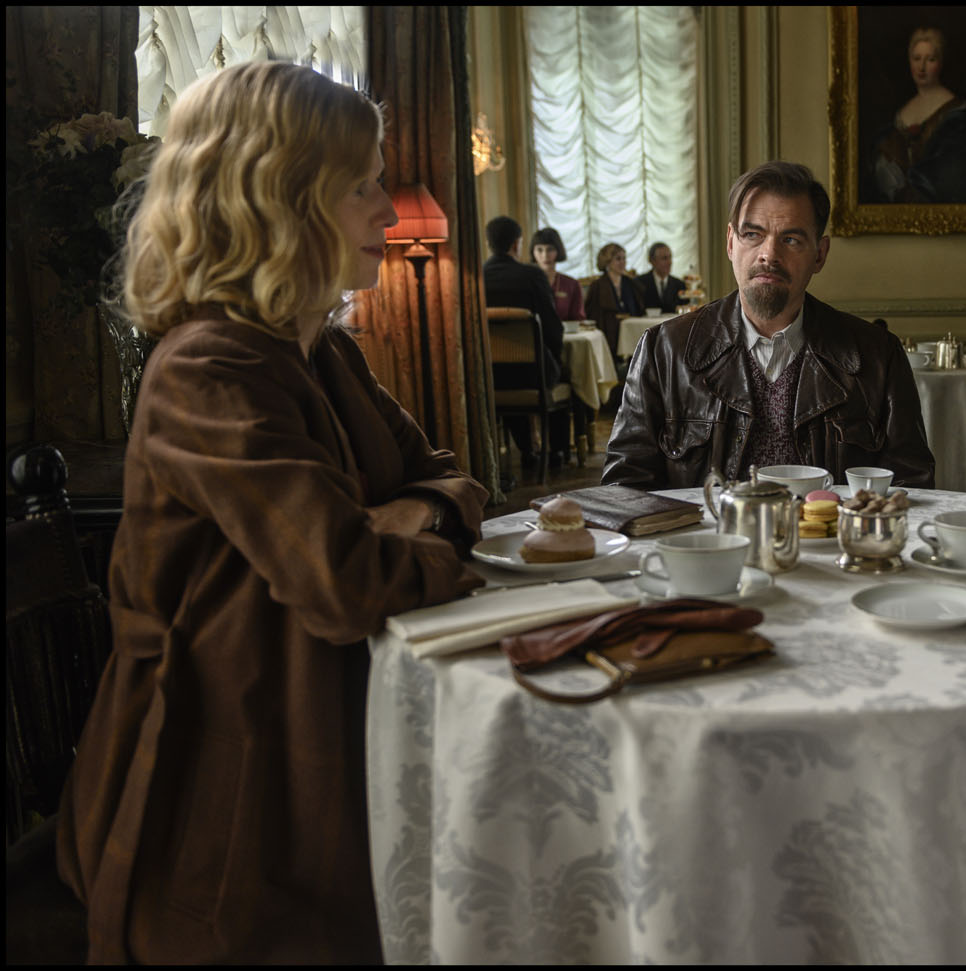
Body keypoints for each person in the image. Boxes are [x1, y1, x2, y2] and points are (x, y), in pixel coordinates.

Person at [55, 61, 488, 963]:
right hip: (225, 792)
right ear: (279, 200)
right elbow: (348, 585)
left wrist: (410, 516)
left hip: (322, 735)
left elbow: (452, 480)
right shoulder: (208, 368)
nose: (388, 211)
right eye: (362, 187)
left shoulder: (324, 351)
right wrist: (410, 532)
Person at [605, 160, 936, 490]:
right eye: (752, 234)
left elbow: (911, 487)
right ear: (731, 243)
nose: (768, 254)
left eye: (790, 239)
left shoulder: (878, 356)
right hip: (704, 527)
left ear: (820, 254)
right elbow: (625, 488)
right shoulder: (664, 350)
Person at [866, 26, 966, 205]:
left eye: (930, 59)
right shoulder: (901, 112)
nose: (921, 67)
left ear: (941, 62)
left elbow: (953, 176)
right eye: (917, 58)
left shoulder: (956, 111)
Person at [483, 214, 570, 467]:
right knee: (564, 374)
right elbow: (552, 328)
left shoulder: (476, 276)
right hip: (532, 374)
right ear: (516, 244)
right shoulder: (531, 276)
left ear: (489, 244)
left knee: (509, 373)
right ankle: (557, 452)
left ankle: (527, 450)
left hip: (489, 376)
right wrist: (554, 358)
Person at [530, 225, 585, 322]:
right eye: (539, 250)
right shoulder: (526, 282)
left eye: (550, 249)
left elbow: (578, 320)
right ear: (533, 252)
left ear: (558, 251)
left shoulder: (572, 285)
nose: (545, 255)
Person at [635, 240, 686, 313]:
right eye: (664, 258)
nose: (669, 262)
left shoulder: (679, 285)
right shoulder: (639, 283)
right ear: (652, 261)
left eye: (670, 257)